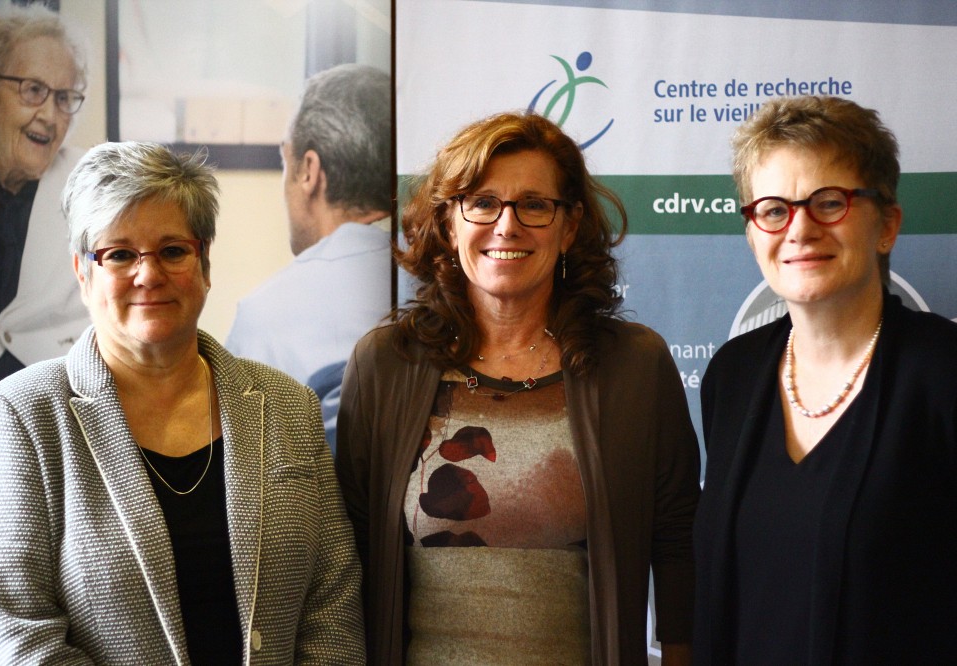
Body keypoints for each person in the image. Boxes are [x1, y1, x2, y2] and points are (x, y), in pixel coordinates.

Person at [0, 141, 365, 664]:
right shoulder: (19, 417)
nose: (149, 274)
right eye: (120, 254)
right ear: (83, 273)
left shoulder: (289, 406)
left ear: (204, 264)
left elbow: (333, 605)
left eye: (173, 251)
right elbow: (22, 639)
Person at [336, 111, 701, 665]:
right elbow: (347, 560)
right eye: (483, 203)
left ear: (569, 226)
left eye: (533, 204)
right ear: (450, 223)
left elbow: (677, 545)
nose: (507, 226)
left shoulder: (635, 366)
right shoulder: (385, 365)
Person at [694, 96, 957, 664]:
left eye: (829, 202)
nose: (800, 229)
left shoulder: (943, 373)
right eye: (773, 210)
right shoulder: (733, 375)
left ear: (887, 225)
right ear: (752, 233)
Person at [0, 7, 90, 663]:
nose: (50, 114)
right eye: (34, 90)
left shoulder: (87, 187)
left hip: (51, 427)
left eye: (65, 97)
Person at [227, 63, 392, 452]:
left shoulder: (263, 316)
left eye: (285, 161)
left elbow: (241, 466)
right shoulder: (444, 281)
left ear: (309, 171)